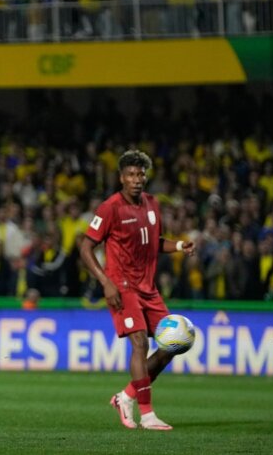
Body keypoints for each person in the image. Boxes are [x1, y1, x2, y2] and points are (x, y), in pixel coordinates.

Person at [79, 150, 196, 431]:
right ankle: (147, 414)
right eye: (130, 174)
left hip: (149, 289)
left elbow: (153, 241)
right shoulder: (110, 208)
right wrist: (105, 282)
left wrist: (179, 246)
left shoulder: (153, 204)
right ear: (121, 178)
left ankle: (126, 396)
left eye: (140, 174)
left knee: (172, 344)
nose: (136, 179)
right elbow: (85, 247)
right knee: (140, 344)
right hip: (122, 286)